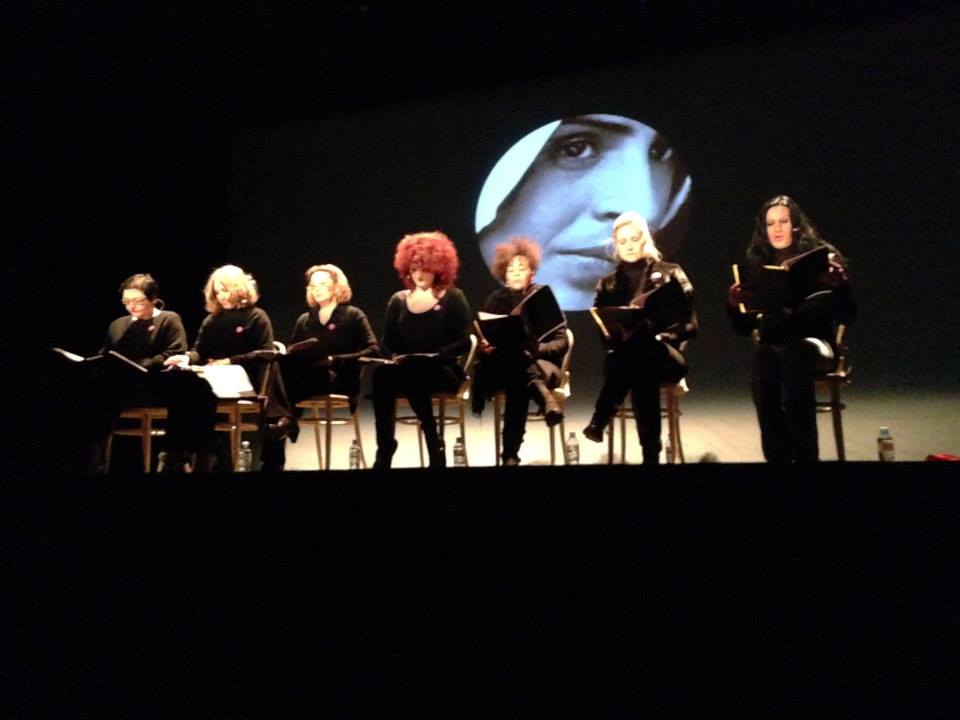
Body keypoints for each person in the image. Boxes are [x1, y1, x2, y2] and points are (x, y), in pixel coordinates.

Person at [476, 114, 692, 312]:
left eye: (658, 153)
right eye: (576, 148)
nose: (646, 207)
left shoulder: (665, 276)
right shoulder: (496, 302)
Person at [727, 195, 856, 463]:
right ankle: (777, 458)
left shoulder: (821, 257)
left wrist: (841, 286)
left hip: (815, 344)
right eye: (770, 223)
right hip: (775, 345)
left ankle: (806, 457)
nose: (777, 229)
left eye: (783, 222)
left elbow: (848, 315)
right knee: (762, 357)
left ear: (796, 225)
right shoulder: (758, 263)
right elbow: (744, 328)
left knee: (795, 354)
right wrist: (733, 304)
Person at [582, 211, 698, 465]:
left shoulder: (671, 273)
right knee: (640, 363)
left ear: (645, 239)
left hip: (666, 355)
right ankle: (650, 455)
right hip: (627, 358)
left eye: (634, 239)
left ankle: (600, 419)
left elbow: (691, 325)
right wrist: (618, 333)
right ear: (615, 245)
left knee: (643, 353)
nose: (629, 246)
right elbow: (604, 335)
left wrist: (662, 335)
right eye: (622, 241)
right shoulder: (607, 285)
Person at [260, 263, 379, 470]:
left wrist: (336, 359)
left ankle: (284, 428)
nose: (317, 289)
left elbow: (373, 350)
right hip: (308, 379)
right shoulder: (305, 319)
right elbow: (293, 352)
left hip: (339, 379)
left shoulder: (353, 315)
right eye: (313, 285)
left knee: (281, 400)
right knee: (280, 364)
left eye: (322, 284)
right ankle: (282, 428)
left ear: (336, 287)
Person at [164, 264, 283, 471]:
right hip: (214, 378)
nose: (222, 296)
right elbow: (199, 352)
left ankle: (204, 453)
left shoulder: (257, 316)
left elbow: (265, 353)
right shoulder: (211, 320)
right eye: (218, 292)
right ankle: (183, 454)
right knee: (186, 389)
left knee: (199, 394)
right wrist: (185, 358)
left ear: (240, 289)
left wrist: (229, 361)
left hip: (244, 380)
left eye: (226, 290)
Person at [372, 231, 472, 469]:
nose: (419, 274)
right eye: (414, 269)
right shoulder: (398, 300)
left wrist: (439, 355)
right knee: (381, 376)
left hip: (442, 370)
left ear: (438, 268)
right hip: (407, 368)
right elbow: (387, 341)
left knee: (414, 374)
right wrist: (393, 357)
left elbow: (465, 340)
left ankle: (431, 437)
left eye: (425, 269)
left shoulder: (453, 297)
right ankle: (386, 446)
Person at [471, 237, 568, 466]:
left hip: (540, 363)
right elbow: (486, 335)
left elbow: (561, 341)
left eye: (521, 268)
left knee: (518, 376)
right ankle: (546, 403)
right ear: (504, 274)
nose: (515, 273)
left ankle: (510, 455)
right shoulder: (496, 299)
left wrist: (537, 349)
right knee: (517, 369)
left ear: (531, 273)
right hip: (504, 365)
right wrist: (485, 347)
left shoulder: (541, 298)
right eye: (510, 269)